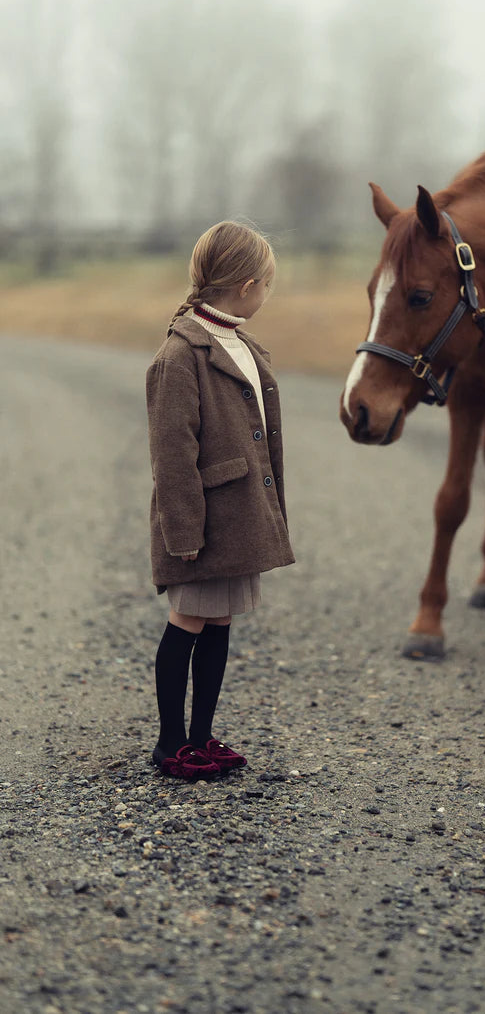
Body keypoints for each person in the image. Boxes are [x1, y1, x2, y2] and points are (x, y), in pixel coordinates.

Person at [146, 221, 295, 779]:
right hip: (203, 524)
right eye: (267, 286)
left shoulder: (243, 344)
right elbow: (172, 454)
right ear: (248, 285)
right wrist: (183, 532)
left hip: (238, 518)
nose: (267, 295)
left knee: (219, 621)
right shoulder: (179, 354)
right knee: (187, 620)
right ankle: (169, 743)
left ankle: (201, 736)